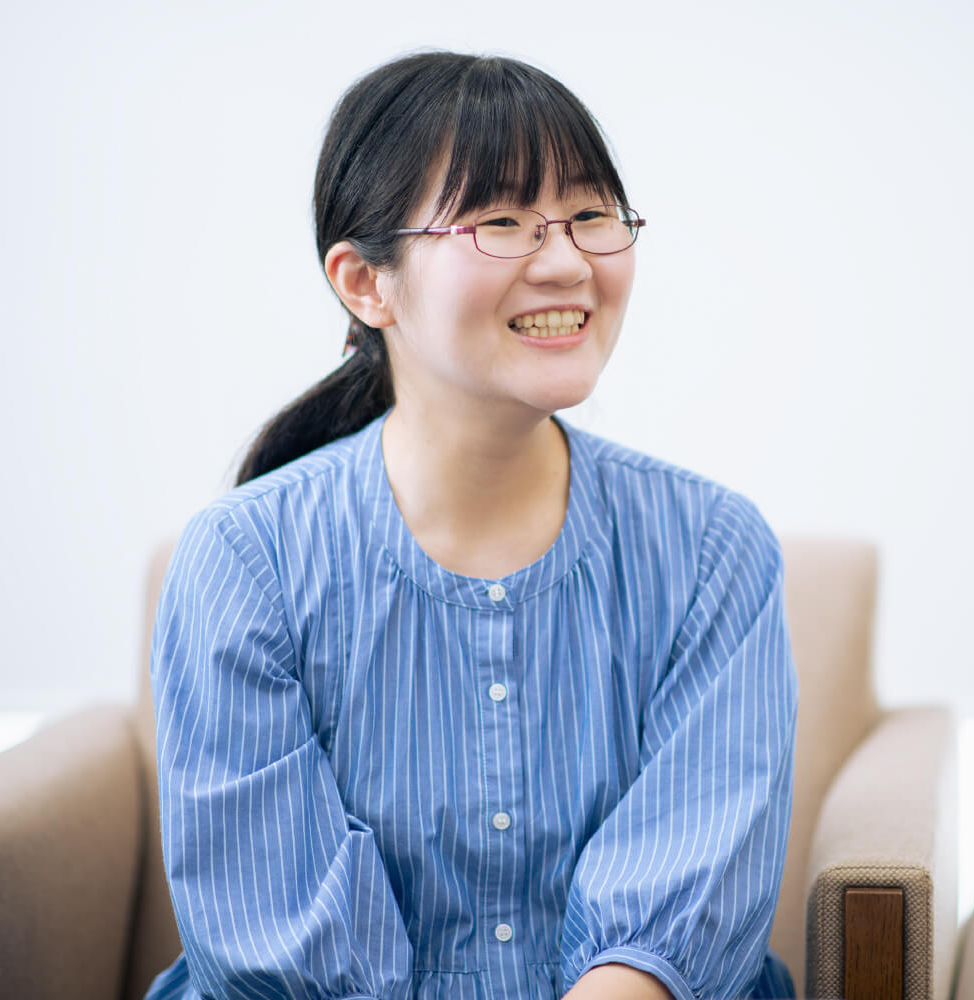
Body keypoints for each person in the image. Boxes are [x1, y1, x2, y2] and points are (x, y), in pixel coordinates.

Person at [144, 51, 798, 1000]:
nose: (567, 263)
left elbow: (679, 918)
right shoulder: (245, 562)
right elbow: (280, 948)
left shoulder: (711, 549)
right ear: (366, 284)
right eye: (499, 223)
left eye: (591, 215)